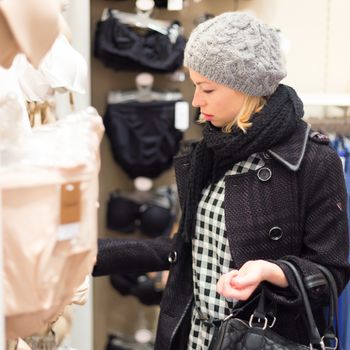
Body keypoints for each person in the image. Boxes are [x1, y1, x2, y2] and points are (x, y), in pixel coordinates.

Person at [93, 11, 350, 350]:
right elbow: (191, 249)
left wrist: (272, 272)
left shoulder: (313, 160)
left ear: (247, 87)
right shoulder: (209, 152)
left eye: (207, 88)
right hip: (194, 338)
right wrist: (88, 254)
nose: (197, 102)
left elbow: (332, 271)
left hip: (261, 339)